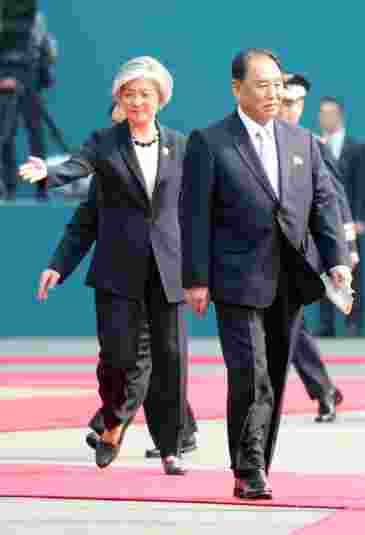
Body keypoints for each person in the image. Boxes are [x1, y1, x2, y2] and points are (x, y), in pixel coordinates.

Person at [180, 48, 351, 500]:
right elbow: (194, 214)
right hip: (235, 278)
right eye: (263, 85)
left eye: (278, 84)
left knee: (274, 374)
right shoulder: (210, 141)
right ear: (237, 88)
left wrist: (337, 261)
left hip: (290, 278)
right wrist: (195, 278)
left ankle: (258, 462)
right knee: (249, 372)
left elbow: (323, 204)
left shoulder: (301, 142)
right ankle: (248, 467)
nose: (274, 93)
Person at [21, 56, 189, 474]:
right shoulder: (105, 142)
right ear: (119, 98)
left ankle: (169, 447)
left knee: (171, 360)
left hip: (168, 271)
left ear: (160, 100)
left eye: (145, 94)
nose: (137, 101)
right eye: (129, 94)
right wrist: (50, 173)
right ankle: (113, 419)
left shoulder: (182, 146)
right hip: (118, 271)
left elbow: (199, 207)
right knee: (117, 358)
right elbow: (80, 178)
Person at [278, 73, 350, 423]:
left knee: (287, 325)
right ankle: (324, 390)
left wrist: (343, 251)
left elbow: (334, 200)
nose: (288, 109)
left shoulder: (312, 145)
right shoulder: (252, 142)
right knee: (292, 327)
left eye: (295, 103)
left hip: (299, 256)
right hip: (257, 256)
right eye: (283, 100)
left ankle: (316, 391)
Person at [318, 96, 365, 336]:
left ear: (339, 116)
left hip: (349, 223)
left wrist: (360, 219)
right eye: (321, 113)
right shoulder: (313, 145)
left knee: (354, 272)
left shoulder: (356, 147)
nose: (324, 118)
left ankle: (353, 324)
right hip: (323, 222)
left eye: (329, 113)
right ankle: (326, 325)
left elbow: (362, 186)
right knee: (323, 273)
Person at [0, 5, 55, 201]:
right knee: (6, 135)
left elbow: (45, 48)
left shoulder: (36, 18)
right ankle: (9, 188)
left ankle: (40, 189)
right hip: (5, 82)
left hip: (29, 79)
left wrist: (42, 74)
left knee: (36, 136)